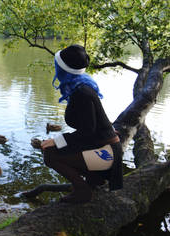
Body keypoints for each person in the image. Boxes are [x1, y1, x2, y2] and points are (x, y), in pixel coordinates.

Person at [22, 44, 123, 204]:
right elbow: (94, 122)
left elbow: (87, 132)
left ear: (62, 69)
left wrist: (57, 141)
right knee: (60, 148)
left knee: (50, 153)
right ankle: (93, 179)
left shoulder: (82, 92)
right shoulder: (81, 85)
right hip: (101, 147)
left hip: (107, 154)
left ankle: (83, 191)